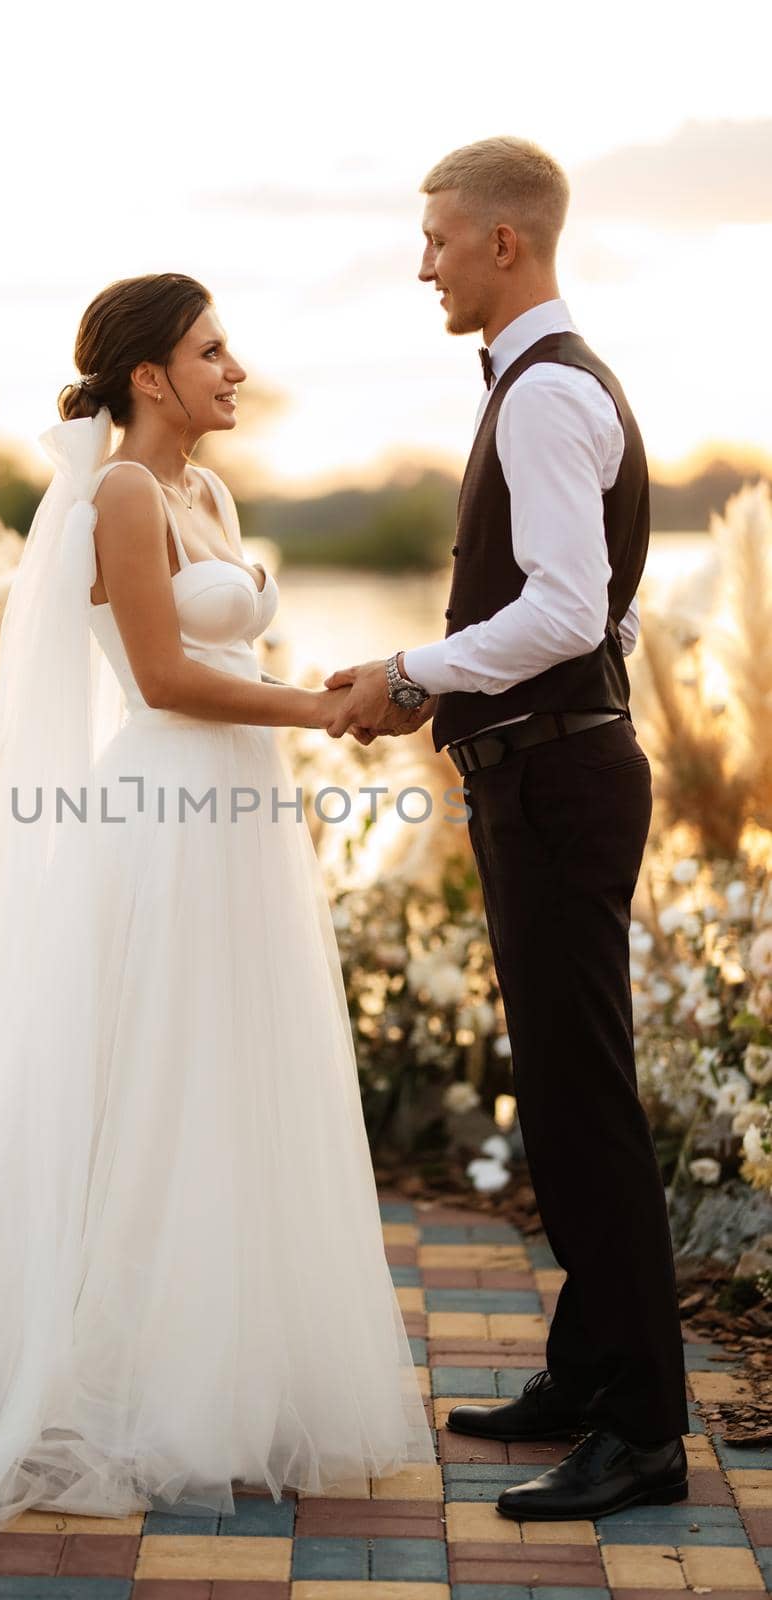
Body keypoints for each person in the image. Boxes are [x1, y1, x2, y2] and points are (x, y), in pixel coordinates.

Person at [0, 272, 435, 1532]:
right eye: (213, 350)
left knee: (226, 1076)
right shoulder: (122, 491)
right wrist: (322, 711)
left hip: (242, 813)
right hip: (166, 810)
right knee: (146, 1073)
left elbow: (231, 653)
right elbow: (169, 677)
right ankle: (89, 1367)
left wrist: (326, 697)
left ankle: (210, 1366)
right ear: (147, 377)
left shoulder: (211, 491)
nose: (236, 370)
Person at [325, 137, 690, 1520]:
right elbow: (612, 610)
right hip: (555, 770)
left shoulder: (542, 396)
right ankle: (590, 1372)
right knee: (561, 1088)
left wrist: (412, 673)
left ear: (503, 243)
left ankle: (645, 1433)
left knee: (582, 1102)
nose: (420, 263)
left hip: (557, 781)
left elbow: (563, 613)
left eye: (435, 238)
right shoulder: (557, 384)